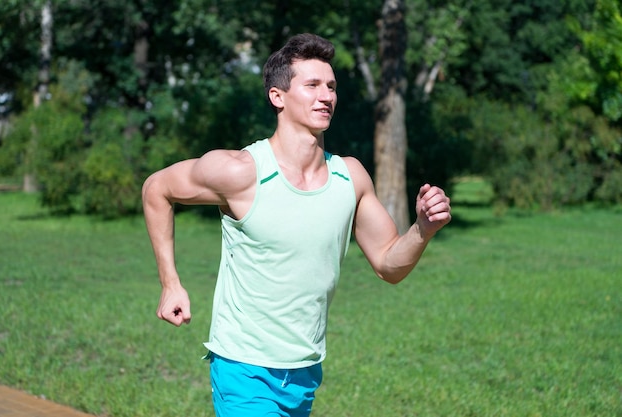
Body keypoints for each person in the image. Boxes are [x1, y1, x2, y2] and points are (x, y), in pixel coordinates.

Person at [142, 33, 451, 417]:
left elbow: (389, 265)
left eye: (332, 87)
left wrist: (423, 228)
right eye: (313, 85)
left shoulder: (350, 178)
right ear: (278, 96)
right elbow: (156, 189)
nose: (327, 96)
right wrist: (170, 283)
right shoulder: (241, 172)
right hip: (244, 368)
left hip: (305, 371)